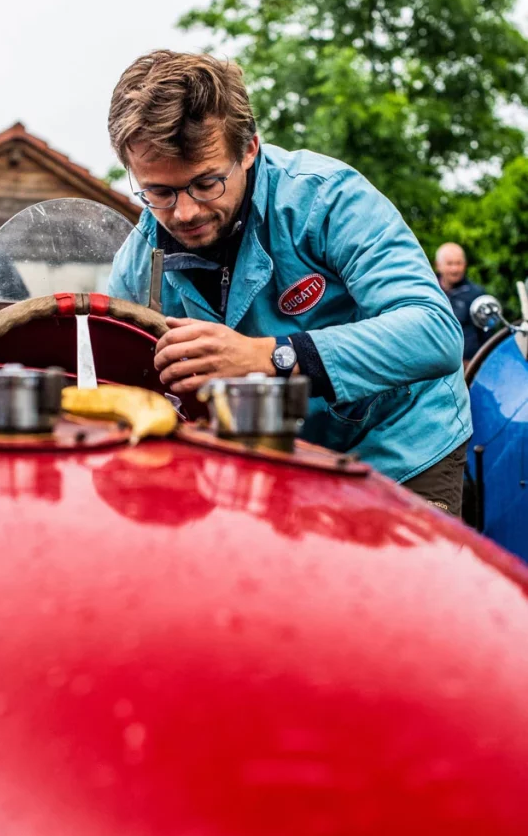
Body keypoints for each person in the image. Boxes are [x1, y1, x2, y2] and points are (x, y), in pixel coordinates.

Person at [107, 50, 471, 515]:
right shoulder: (137, 264)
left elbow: (433, 333)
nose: (185, 212)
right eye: (159, 192)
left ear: (250, 149)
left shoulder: (328, 198)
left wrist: (267, 357)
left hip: (399, 448)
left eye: (206, 183)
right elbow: (113, 388)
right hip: (266, 465)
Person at [434, 242, 487, 364]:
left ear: (465, 264)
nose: (455, 269)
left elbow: (486, 335)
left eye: (459, 263)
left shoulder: (476, 294)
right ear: (438, 265)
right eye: (450, 264)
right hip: (433, 366)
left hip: (468, 367)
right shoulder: (428, 291)